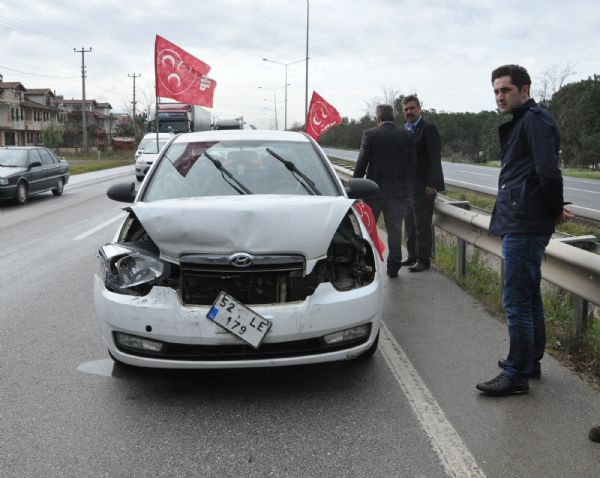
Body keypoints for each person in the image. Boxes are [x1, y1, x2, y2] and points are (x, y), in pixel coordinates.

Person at [476, 64, 574, 396]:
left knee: (516, 300)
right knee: (528, 296)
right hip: (523, 217)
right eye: (496, 91)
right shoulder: (525, 122)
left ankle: (516, 374)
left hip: (525, 221)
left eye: (505, 90)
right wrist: (552, 209)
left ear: (524, 90)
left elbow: (549, 173)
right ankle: (529, 361)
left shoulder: (535, 120)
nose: (499, 96)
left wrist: (553, 209)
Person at [353, 104, 414, 278]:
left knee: (367, 230)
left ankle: (367, 266)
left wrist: (355, 187)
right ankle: (393, 267)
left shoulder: (370, 134)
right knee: (395, 231)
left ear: (378, 118)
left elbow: (362, 163)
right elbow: (412, 164)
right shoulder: (406, 134)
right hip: (398, 193)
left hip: (374, 192)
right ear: (393, 118)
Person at [401, 95, 445, 272]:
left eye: (412, 108)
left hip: (424, 187)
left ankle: (423, 260)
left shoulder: (428, 128)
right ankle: (412, 256)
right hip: (408, 187)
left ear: (419, 109)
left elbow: (435, 157)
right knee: (410, 224)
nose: (409, 112)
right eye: (406, 110)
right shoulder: (405, 130)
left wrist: (431, 184)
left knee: (422, 225)